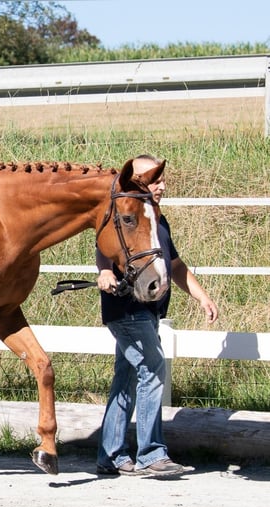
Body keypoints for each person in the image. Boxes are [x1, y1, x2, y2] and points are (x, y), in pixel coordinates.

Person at [96, 154, 219, 477]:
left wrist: (201, 296)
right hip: (127, 309)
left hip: (148, 311)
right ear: (135, 182)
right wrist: (105, 273)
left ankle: (111, 455)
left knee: (126, 379)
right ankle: (151, 454)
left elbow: (175, 266)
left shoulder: (154, 219)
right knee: (152, 368)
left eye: (161, 181)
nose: (160, 186)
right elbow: (106, 247)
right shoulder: (122, 213)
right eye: (153, 181)